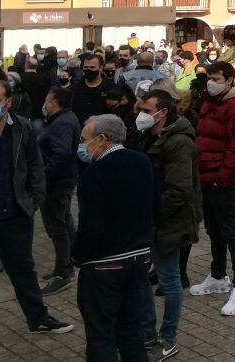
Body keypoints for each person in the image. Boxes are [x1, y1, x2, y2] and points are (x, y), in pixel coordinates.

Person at [0, 77, 74, 335]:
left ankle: (38, 318)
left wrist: (35, 198)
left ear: (8, 102)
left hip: (16, 213)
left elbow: (35, 164)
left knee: (23, 269)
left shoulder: (22, 127)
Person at [72, 114, 156, 361]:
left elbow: (91, 228)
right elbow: (156, 208)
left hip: (104, 265)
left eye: (83, 139)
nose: (81, 145)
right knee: (131, 329)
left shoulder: (93, 173)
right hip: (139, 258)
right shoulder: (142, 161)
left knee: (101, 335)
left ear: (101, 139)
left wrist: (78, 255)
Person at [135, 87, 200, 359]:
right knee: (141, 281)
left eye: (146, 111)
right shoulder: (146, 136)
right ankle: (148, 334)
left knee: (170, 279)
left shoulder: (179, 142)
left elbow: (180, 190)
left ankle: (168, 337)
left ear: (162, 113)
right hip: (147, 220)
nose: (141, 115)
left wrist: (152, 214)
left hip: (169, 220)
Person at [190, 60, 235, 316]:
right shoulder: (209, 103)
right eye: (210, 78)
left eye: (217, 79)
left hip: (224, 180)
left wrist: (222, 178)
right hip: (206, 176)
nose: (211, 83)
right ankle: (218, 275)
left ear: (229, 80)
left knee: (231, 232)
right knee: (213, 229)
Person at [38, 87, 81, 296]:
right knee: (64, 221)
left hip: (56, 183)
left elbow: (61, 154)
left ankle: (63, 272)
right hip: (62, 180)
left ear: (54, 103)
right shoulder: (64, 118)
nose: (45, 104)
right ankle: (69, 262)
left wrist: (42, 175)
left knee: (57, 227)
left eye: (47, 100)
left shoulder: (62, 122)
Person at [71, 52, 112, 125]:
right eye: (86, 67)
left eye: (92, 67)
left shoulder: (110, 87)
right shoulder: (75, 88)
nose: (88, 70)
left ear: (100, 68)